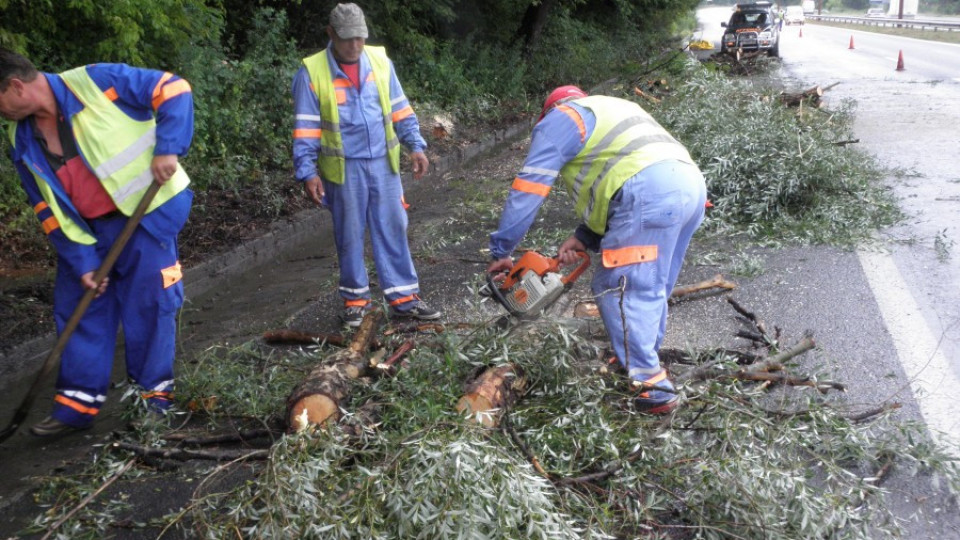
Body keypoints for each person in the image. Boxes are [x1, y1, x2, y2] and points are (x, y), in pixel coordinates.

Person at [0, 48, 194, 436]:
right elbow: (46, 206)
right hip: (87, 233)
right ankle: (76, 406)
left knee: (149, 305)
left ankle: (152, 402)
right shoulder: (19, 135)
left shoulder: (97, 81)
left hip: (146, 216)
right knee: (78, 308)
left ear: (15, 86)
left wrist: (168, 147)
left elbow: (173, 88)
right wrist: (81, 259)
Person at [487, 86, 707, 414]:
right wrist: (585, 237)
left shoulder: (561, 119)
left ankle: (652, 386)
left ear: (548, 113)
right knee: (652, 284)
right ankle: (634, 357)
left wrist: (502, 250)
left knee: (619, 286)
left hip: (649, 193)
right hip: (688, 186)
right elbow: (618, 172)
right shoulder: (610, 108)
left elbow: (530, 186)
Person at [292, 2, 441, 327]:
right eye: (348, 39)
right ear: (331, 34)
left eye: (360, 38)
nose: (355, 45)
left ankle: (404, 299)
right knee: (350, 236)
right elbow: (305, 129)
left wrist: (415, 145)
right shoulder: (312, 72)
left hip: (383, 167)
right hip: (344, 172)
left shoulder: (379, 61)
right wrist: (307, 172)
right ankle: (355, 304)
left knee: (393, 227)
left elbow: (400, 108)